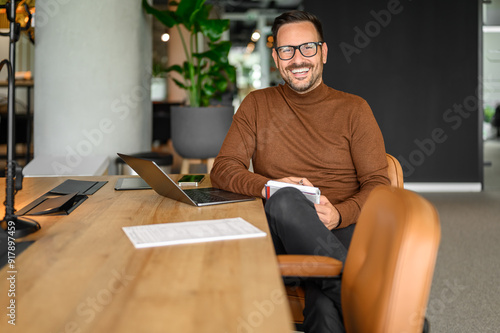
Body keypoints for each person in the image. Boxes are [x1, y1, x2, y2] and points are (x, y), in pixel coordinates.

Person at [210, 10, 390, 333]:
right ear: (276, 59)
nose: (297, 59)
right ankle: (377, 308)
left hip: (343, 230)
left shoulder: (354, 109)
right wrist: (269, 187)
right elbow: (223, 169)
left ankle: (350, 295)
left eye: (307, 48)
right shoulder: (256, 104)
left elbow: (379, 184)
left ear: (323, 52)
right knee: (283, 200)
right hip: (283, 234)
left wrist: (339, 214)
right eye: (286, 51)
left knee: (322, 304)